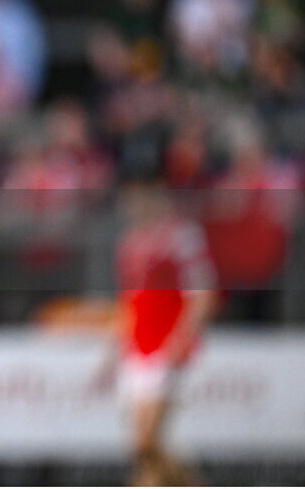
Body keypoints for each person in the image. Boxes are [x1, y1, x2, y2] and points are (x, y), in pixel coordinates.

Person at [92, 170, 217, 486]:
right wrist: (113, 355)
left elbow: (202, 294)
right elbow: (130, 304)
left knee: (145, 442)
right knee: (141, 451)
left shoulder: (182, 236)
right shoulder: (130, 243)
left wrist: (182, 338)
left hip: (166, 346)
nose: (135, 203)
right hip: (139, 348)